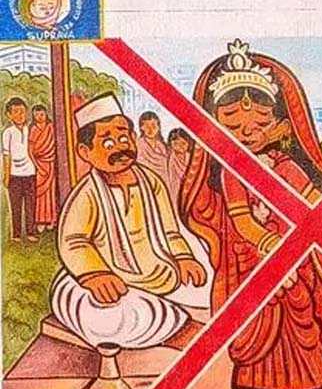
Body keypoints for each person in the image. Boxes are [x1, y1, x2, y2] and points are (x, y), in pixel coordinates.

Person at [181, 40, 322, 389]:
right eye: (233, 125)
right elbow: (241, 219)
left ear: (281, 126)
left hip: (295, 257)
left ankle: (305, 387)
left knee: (299, 317)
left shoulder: (287, 166)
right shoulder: (231, 173)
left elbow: (316, 204)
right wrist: (269, 243)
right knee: (262, 321)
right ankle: (263, 385)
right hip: (254, 258)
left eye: (259, 124)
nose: (247, 132)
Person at [50, 93, 207, 351]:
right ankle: (172, 324)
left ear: (133, 138)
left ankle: (164, 315)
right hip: (111, 279)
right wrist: (95, 274)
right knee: (103, 315)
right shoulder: (87, 194)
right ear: (85, 152)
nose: (119, 147)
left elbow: (171, 231)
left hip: (162, 270)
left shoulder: (152, 183)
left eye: (124, 138)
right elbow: (74, 241)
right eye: (107, 141)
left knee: (210, 276)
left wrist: (183, 257)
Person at [2, 97, 39, 243]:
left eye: (22, 112)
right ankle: (16, 234)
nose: (20, 115)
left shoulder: (30, 129)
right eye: (16, 112)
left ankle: (30, 232)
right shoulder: (8, 132)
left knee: (31, 204)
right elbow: (7, 155)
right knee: (15, 205)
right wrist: (6, 175)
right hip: (15, 175)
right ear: (9, 115)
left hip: (30, 173)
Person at [29, 104, 57, 232]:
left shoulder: (51, 127)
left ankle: (51, 219)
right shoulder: (34, 129)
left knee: (50, 193)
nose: (39, 117)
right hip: (39, 165)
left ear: (46, 114)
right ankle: (40, 220)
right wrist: (37, 166)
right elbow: (30, 151)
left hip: (50, 163)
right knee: (40, 194)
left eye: (41, 114)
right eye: (36, 115)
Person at [136, 111, 170, 183]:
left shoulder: (162, 146)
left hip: (163, 181)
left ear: (158, 127)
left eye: (153, 126)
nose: (150, 130)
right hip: (146, 181)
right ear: (141, 127)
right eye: (147, 126)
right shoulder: (138, 144)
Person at [166, 127, 193, 203]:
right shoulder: (172, 158)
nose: (180, 146)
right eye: (176, 144)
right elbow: (172, 177)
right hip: (176, 186)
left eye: (183, 143)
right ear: (171, 144)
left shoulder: (189, 156)